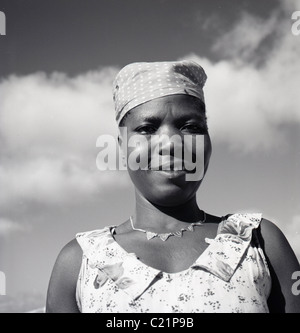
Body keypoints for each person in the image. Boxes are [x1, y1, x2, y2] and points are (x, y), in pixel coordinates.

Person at [46, 60, 300, 313]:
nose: (170, 143)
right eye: (147, 129)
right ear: (122, 147)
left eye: (191, 127)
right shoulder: (81, 262)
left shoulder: (258, 242)